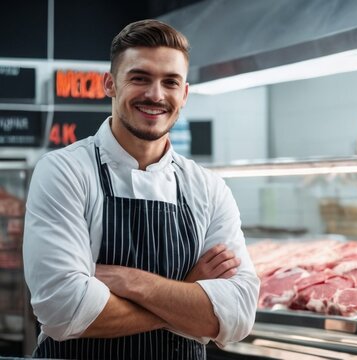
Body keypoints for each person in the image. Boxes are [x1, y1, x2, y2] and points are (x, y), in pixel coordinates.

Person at [22, 19, 259, 359]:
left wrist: (130, 281)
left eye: (170, 82)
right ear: (110, 84)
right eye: (140, 78)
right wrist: (189, 296)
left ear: (185, 93)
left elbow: (237, 316)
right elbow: (64, 310)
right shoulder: (65, 171)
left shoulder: (207, 187)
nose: (155, 95)